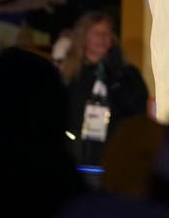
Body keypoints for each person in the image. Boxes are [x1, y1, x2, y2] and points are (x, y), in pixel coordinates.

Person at [58, 10, 149, 165]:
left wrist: (115, 79)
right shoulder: (68, 74)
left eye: (106, 33)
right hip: (75, 154)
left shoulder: (126, 74)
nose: (102, 37)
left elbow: (138, 111)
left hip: (114, 154)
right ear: (83, 36)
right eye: (96, 32)